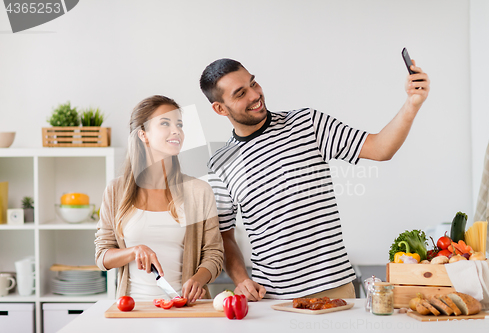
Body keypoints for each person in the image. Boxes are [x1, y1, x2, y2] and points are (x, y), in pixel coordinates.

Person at [200, 58, 429, 301]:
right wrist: (241, 279)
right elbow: (225, 235)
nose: (255, 94)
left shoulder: (306, 123)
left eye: (253, 83)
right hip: (273, 300)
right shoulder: (220, 164)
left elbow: (381, 149)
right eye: (241, 93)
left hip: (334, 290)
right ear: (220, 108)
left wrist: (412, 104)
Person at [95, 95, 224, 303]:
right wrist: (133, 251)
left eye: (179, 124)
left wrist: (198, 280)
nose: (177, 131)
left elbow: (214, 254)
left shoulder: (199, 191)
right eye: (165, 123)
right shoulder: (115, 191)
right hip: (133, 309)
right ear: (143, 134)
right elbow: (102, 257)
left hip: (187, 308)